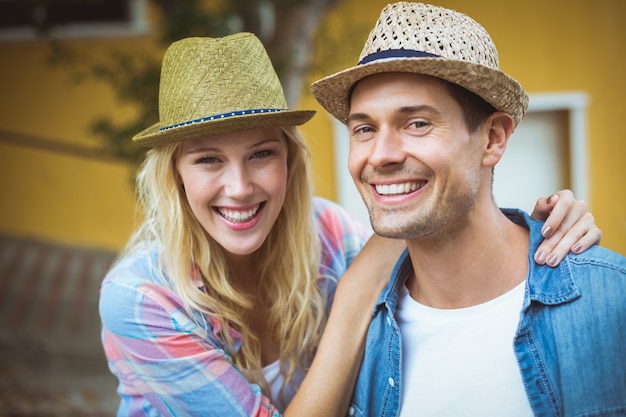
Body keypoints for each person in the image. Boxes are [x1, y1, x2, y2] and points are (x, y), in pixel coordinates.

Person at [99, 32, 600, 416]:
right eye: (208, 160)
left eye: (261, 154)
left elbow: (440, 240)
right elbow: (397, 242)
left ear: (290, 161)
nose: (239, 187)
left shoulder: (328, 232)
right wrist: (357, 289)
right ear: (175, 174)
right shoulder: (141, 297)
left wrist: (539, 226)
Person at [310, 2, 626, 416]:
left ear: (493, 138)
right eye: (364, 129)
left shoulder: (611, 302)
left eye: (417, 123)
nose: (381, 155)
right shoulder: (357, 337)